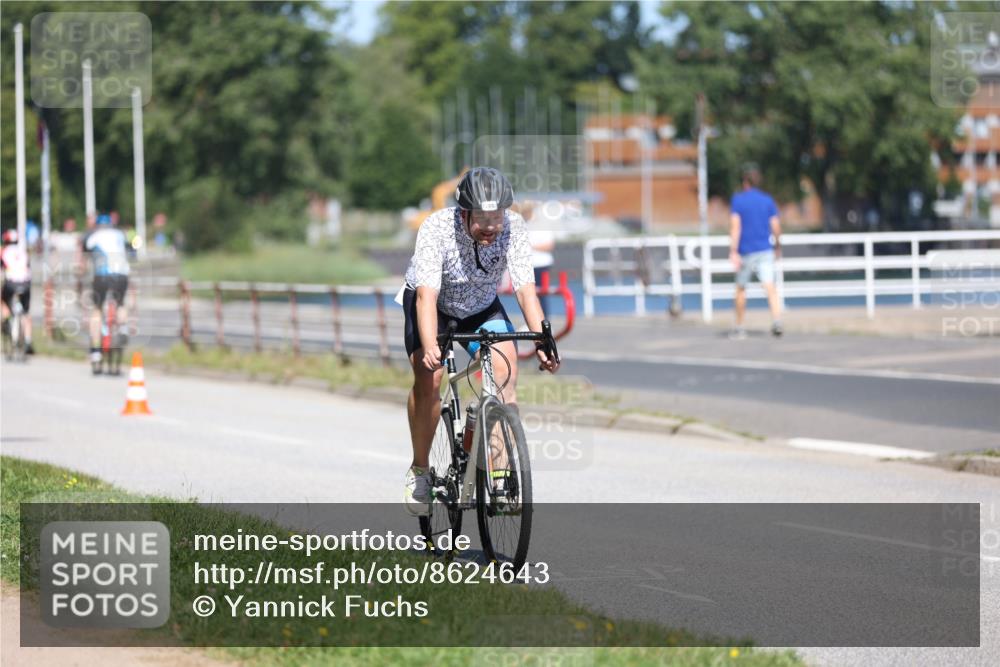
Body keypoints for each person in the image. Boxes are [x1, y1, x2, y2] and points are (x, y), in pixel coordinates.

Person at [400, 167, 559, 516]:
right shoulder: (436, 228)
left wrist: (543, 339)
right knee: (432, 378)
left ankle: (500, 478)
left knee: (505, 372)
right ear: (464, 212)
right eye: (482, 218)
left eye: (496, 217)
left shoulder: (514, 228)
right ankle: (421, 470)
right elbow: (426, 296)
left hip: (481, 306)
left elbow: (525, 289)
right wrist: (430, 346)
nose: (490, 226)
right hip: (434, 305)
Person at [729, 164, 783, 339]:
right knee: (769, 286)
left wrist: (733, 250)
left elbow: (735, 227)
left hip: (745, 250)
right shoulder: (767, 200)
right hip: (765, 249)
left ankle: (739, 327)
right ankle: (776, 321)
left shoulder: (738, 200)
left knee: (741, 288)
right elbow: (775, 226)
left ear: (745, 181)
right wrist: (778, 245)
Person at [78, 213, 131, 365]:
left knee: (96, 310)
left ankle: (95, 351)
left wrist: (82, 273)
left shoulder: (93, 236)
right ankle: (123, 328)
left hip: (102, 276)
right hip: (121, 275)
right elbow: (129, 252)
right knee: (120, 304)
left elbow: (85, 258)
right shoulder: (120, 234)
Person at [1, 230, 34, 354]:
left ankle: (6, 320)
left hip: (10, 284)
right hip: (25, 284)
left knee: (4, 300)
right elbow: (28, 269)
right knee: (26, 312)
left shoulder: (4, 252)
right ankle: (28, 340)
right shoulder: (23, 252)